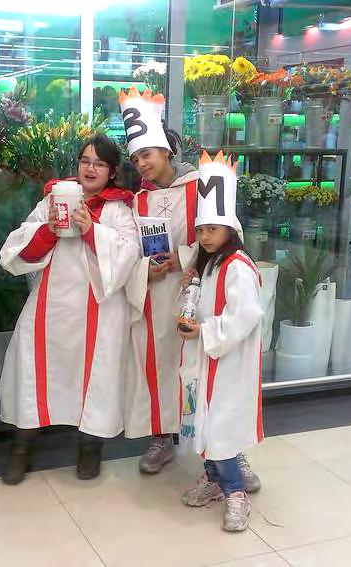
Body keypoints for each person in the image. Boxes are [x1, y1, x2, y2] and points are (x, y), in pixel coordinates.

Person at [119, 87, 260, 492]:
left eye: (147, 154)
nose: (142, 163)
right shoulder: (137, 201)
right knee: (161, 367)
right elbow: (134, 247)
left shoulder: (201, 184)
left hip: (202, 293)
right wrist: (151, 266)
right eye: (135, 158)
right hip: (157, 295)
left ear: (165, 149)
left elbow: (226, 233)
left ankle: (230, 452)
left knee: (213, 377)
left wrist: (184, 259)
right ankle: (163, 438)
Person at [0, 134, 139, 485]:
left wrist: (92, 229)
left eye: (100, 163)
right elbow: (16, 249)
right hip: (51, 308)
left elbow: (126, 256)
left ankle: (90, 448)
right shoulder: (53, 198)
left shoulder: (120, 209)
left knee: (96, 380)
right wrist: (48, 230)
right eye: (85, 160)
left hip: (100, 311)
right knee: (33, 373)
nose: (90, 168)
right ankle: (21, 447)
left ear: (112, 171)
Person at [179, 151, 264, 533]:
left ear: (231, 228)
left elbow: (244, 315)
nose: (205, 236)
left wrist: (205, 332)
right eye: (201, 229)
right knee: (205, 425)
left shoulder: (239, 267)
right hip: (208, 360)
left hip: (227, 364)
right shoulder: (209, 264)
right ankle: (215, 480)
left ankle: (234, 492)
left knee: (221, 430)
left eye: (213, 228)